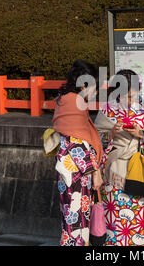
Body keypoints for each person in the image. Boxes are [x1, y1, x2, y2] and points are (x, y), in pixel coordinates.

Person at [94, 69, 144, 246]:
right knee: (115, 221)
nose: (130, 100)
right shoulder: (107, 110)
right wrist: (110, 134)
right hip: (114, 173)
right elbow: (95, 140)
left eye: (133, 95)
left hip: (140, 172)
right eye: (125, 96)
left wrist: (142, 135)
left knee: (140, 221)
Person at [52, 59, 104, 246]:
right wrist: (94, 172)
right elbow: (77, 143)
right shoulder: (75, 102)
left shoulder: (65, 99)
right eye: (94, 87)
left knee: (72, 220)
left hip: (69, 172)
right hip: (77, 174)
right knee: (77, 223)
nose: (95, 92)